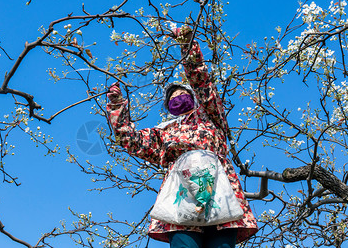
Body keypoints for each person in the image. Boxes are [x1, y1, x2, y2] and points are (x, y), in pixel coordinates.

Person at [106, 26, 258, 248]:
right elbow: (130, 140)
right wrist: (117, 105)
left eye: (182, 93)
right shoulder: (164, 132)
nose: (177, 96)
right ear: (168, 107)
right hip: (182, 191)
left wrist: (187, 45)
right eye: (172, 97)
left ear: (193, 97)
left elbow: (202, 82)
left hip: (219, 187)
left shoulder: (210, 115)